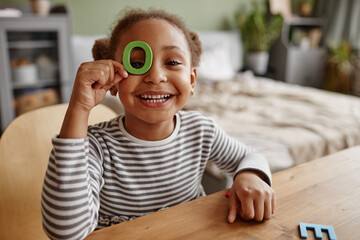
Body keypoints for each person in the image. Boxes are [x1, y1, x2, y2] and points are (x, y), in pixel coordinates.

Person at [41, 8, 275, 240]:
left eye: (172, 62)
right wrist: (79, 107)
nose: (155, 76)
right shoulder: (96, 147)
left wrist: (250, 175)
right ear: (113, 81)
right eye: (136, 62)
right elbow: (65, 232)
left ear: (192, 80)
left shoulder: (201, 130)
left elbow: (251, 156)